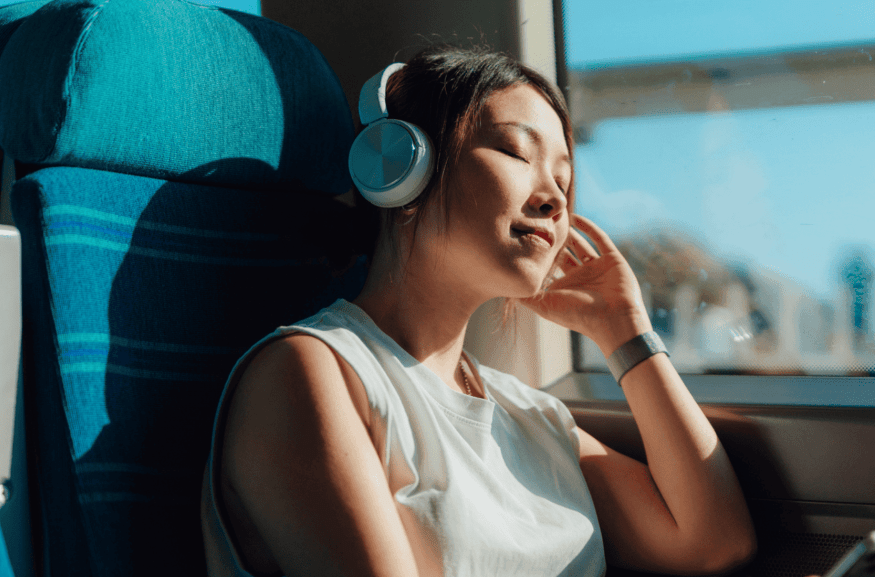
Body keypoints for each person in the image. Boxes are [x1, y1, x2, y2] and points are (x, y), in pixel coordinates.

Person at [201, 45, 757, 576]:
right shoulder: (311, 372)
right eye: (516, 152)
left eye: (564, 180)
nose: (555, 199)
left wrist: (624, 332)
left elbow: (713, 542)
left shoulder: (531, 415)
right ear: (402, 165)